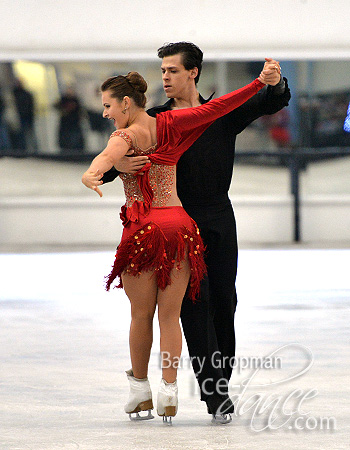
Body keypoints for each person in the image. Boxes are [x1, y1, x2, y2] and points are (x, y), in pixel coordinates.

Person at [97, 42, 291, 423]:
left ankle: (219, 384)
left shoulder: (222, 113)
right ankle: (216, 394)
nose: (165, 77)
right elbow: (111, 162)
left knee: (225, 302)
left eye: (172, 70)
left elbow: (272, 101)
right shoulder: (153, 120)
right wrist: (118, 166)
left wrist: (276, 79)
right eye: (163, 71)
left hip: (219, 217)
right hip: (177, 224)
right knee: (192, 306)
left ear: (193, 72)